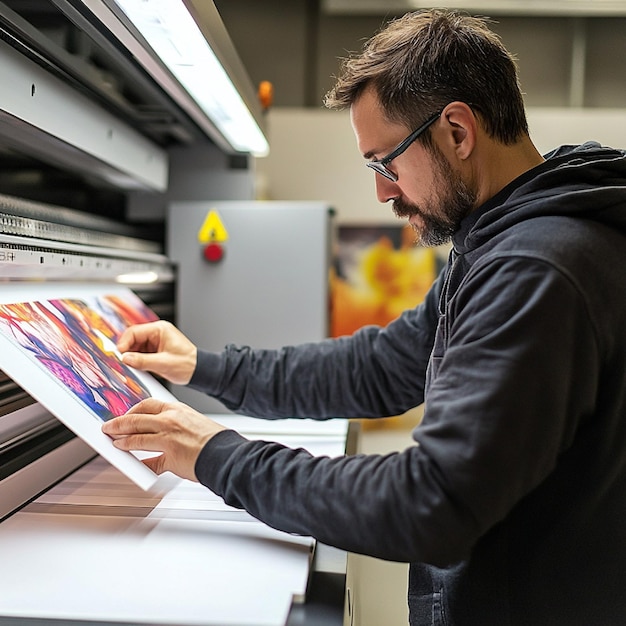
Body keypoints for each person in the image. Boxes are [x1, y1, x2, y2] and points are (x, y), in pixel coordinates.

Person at [102, 9, 626, 625]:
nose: (383, 191)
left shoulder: (537, 270)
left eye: (388, 163)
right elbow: (382, 365)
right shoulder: (499, 239)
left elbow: (430, 504)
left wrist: (216, 455)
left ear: (457, 131)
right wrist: (204, 367)